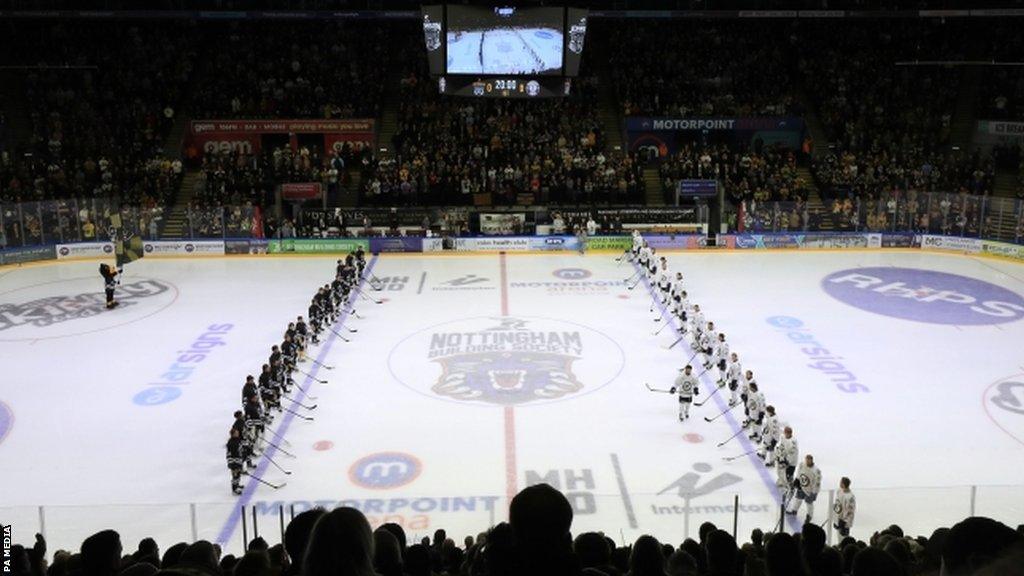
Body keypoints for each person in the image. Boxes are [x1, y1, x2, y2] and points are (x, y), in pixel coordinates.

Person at [788, 454, 822, 523]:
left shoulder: (816, 471)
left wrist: (814, 492)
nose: (807, 462)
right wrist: (796, 480)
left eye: (808, 460)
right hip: (802, 486)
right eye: (806, 460)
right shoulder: (802, 464)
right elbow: (798, 473)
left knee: (809, 503)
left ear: (811, 460)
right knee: (798, 499)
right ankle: (794, 510)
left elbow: (817, 483)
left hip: (810, 490)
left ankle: (809, 516)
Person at [227, 428, 245, 495]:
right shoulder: (232, 443)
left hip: (238, 461)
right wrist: (234, 465)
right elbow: (231, 455)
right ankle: (234, 489)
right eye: (236, 433)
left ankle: (237, 485)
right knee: (235, 475)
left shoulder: (237, 440)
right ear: (233, 434)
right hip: (234, 462)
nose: (238, 433)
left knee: (238, 474)